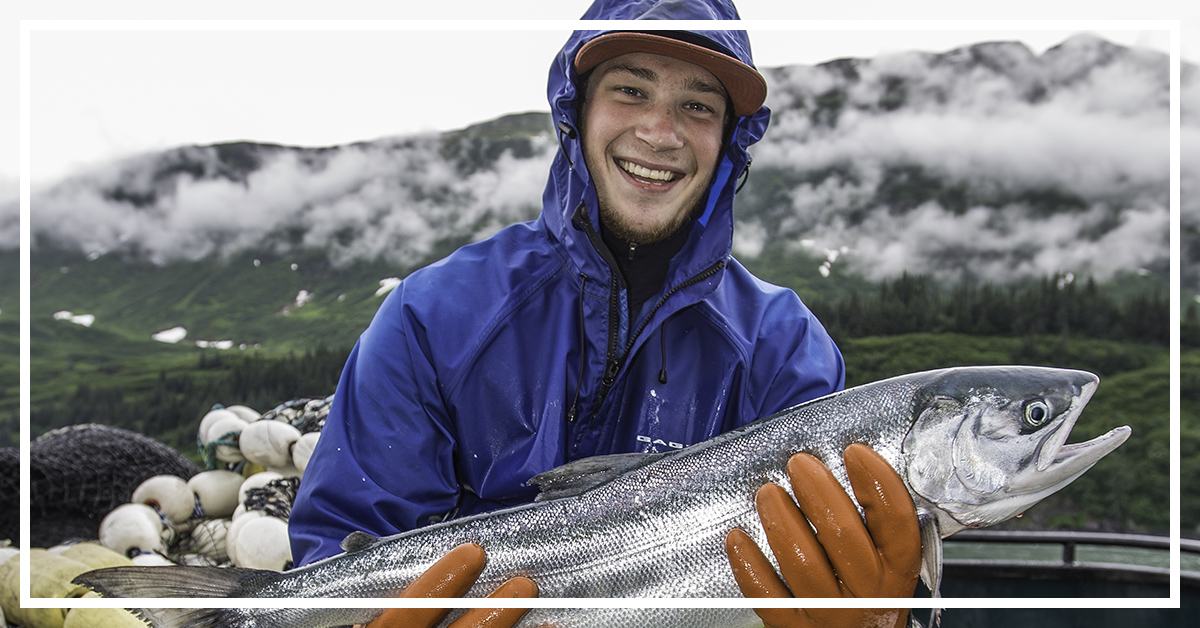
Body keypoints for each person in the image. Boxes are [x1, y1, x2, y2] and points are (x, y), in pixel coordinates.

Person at [289, 1, 921, 626]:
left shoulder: (785, 351)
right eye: (630, 90)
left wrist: (885, 621)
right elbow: (344, 540)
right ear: (577, 110)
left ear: (729, 139)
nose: (659, 132)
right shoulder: (431, 317)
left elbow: (849, 553)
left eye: (697, 105)